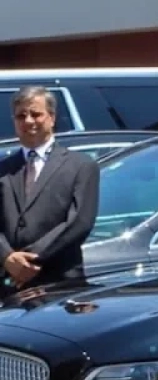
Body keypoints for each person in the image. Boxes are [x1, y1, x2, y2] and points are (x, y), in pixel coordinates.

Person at [0, 86, 99, 296]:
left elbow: (79, 222)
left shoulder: (81, 166)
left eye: (36, 114)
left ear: (52, 118)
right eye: (21, 116)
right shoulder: (3, 169)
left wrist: (28, 260)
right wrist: (7, 258)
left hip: (59, 285)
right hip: (8, 285)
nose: (28, 121)